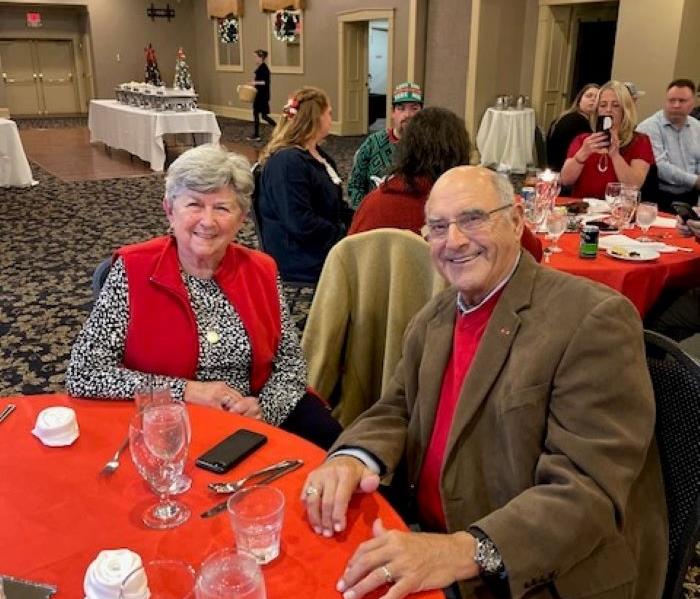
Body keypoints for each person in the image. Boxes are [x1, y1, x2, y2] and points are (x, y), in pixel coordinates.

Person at [300, 166, 666, 599]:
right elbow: (397, 408)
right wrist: (354, 458)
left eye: (473, 219)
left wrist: (460, 551)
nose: (453, 241)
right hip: (434, 533)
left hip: (541, 571)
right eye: (438, 227)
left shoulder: (592, 320)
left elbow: (588, 492)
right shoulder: (436, 316)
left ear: (515, 220)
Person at [65, 144, 341, 449]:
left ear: (241, 218)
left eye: (222, 208)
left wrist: (265, 409)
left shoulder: (262, 270)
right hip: (167, 421)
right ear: (170, 211)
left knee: (344, 460)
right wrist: (185, 391)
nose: (208, 221)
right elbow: (84, 372)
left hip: (252, 413)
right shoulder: (133, 270)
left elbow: (290, 364)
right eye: (194, 205)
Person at [347, 106, 543, 262]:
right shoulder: (482, 204)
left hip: (381, 309)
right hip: (455, 307)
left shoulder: (372, 205)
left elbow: (349, 263)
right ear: (459, 152)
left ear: (405, 149)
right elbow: (533, 253)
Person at [258, 86, 351, 283]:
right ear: (316, 118)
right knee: (371, 262)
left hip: (319, 241)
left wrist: (361, 221)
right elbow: (299, 222)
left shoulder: (317, 155)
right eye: (329, 113)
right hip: (299, 254)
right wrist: (343, 236)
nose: (331, 119)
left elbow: (335, 206)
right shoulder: (287, 162)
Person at [561, 80, 654, 199]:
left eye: (615, 105)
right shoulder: (582, 140)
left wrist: (615, 156)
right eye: (603, 105)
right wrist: (582, 154)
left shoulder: (640, 141)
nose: (608, 110)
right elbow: (565, 180)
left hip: (617, 212)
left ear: (625, 110)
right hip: (583, 209)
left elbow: (633, 186)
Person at [347, 81, 423, 209]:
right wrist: (363, 212)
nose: (407, 115)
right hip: (375, 216)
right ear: (393, 112)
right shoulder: (373, 143)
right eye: (401, 108)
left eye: (414, 108)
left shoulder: (429, 146)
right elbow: (355, 185)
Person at [637, 78, 700, 210]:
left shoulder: (697, 127)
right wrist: (695, 181)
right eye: (671, 100)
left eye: (682, 101)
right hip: (659, 198)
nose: (676, 105)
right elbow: (661, 167)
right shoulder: (649, 127)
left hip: (691, 198)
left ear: (693, 103)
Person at [545, 83, 599, 171]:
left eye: (597, 97)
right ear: (579, 100)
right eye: (589, 96)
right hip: (563, 170)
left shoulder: (565, 116)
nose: (593, 99)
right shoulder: (578, 121)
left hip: (553, 168)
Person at [247, 49, 275, 142]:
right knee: (259, 115)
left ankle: (278, 129)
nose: (254, 59)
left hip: (262, 96)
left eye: (256, 57)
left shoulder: (264, 69)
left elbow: (265, 82)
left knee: (262, 116)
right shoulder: (260, 68)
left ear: (261, 58)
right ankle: (256, 134)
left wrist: (255, 82)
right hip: (260, 95)